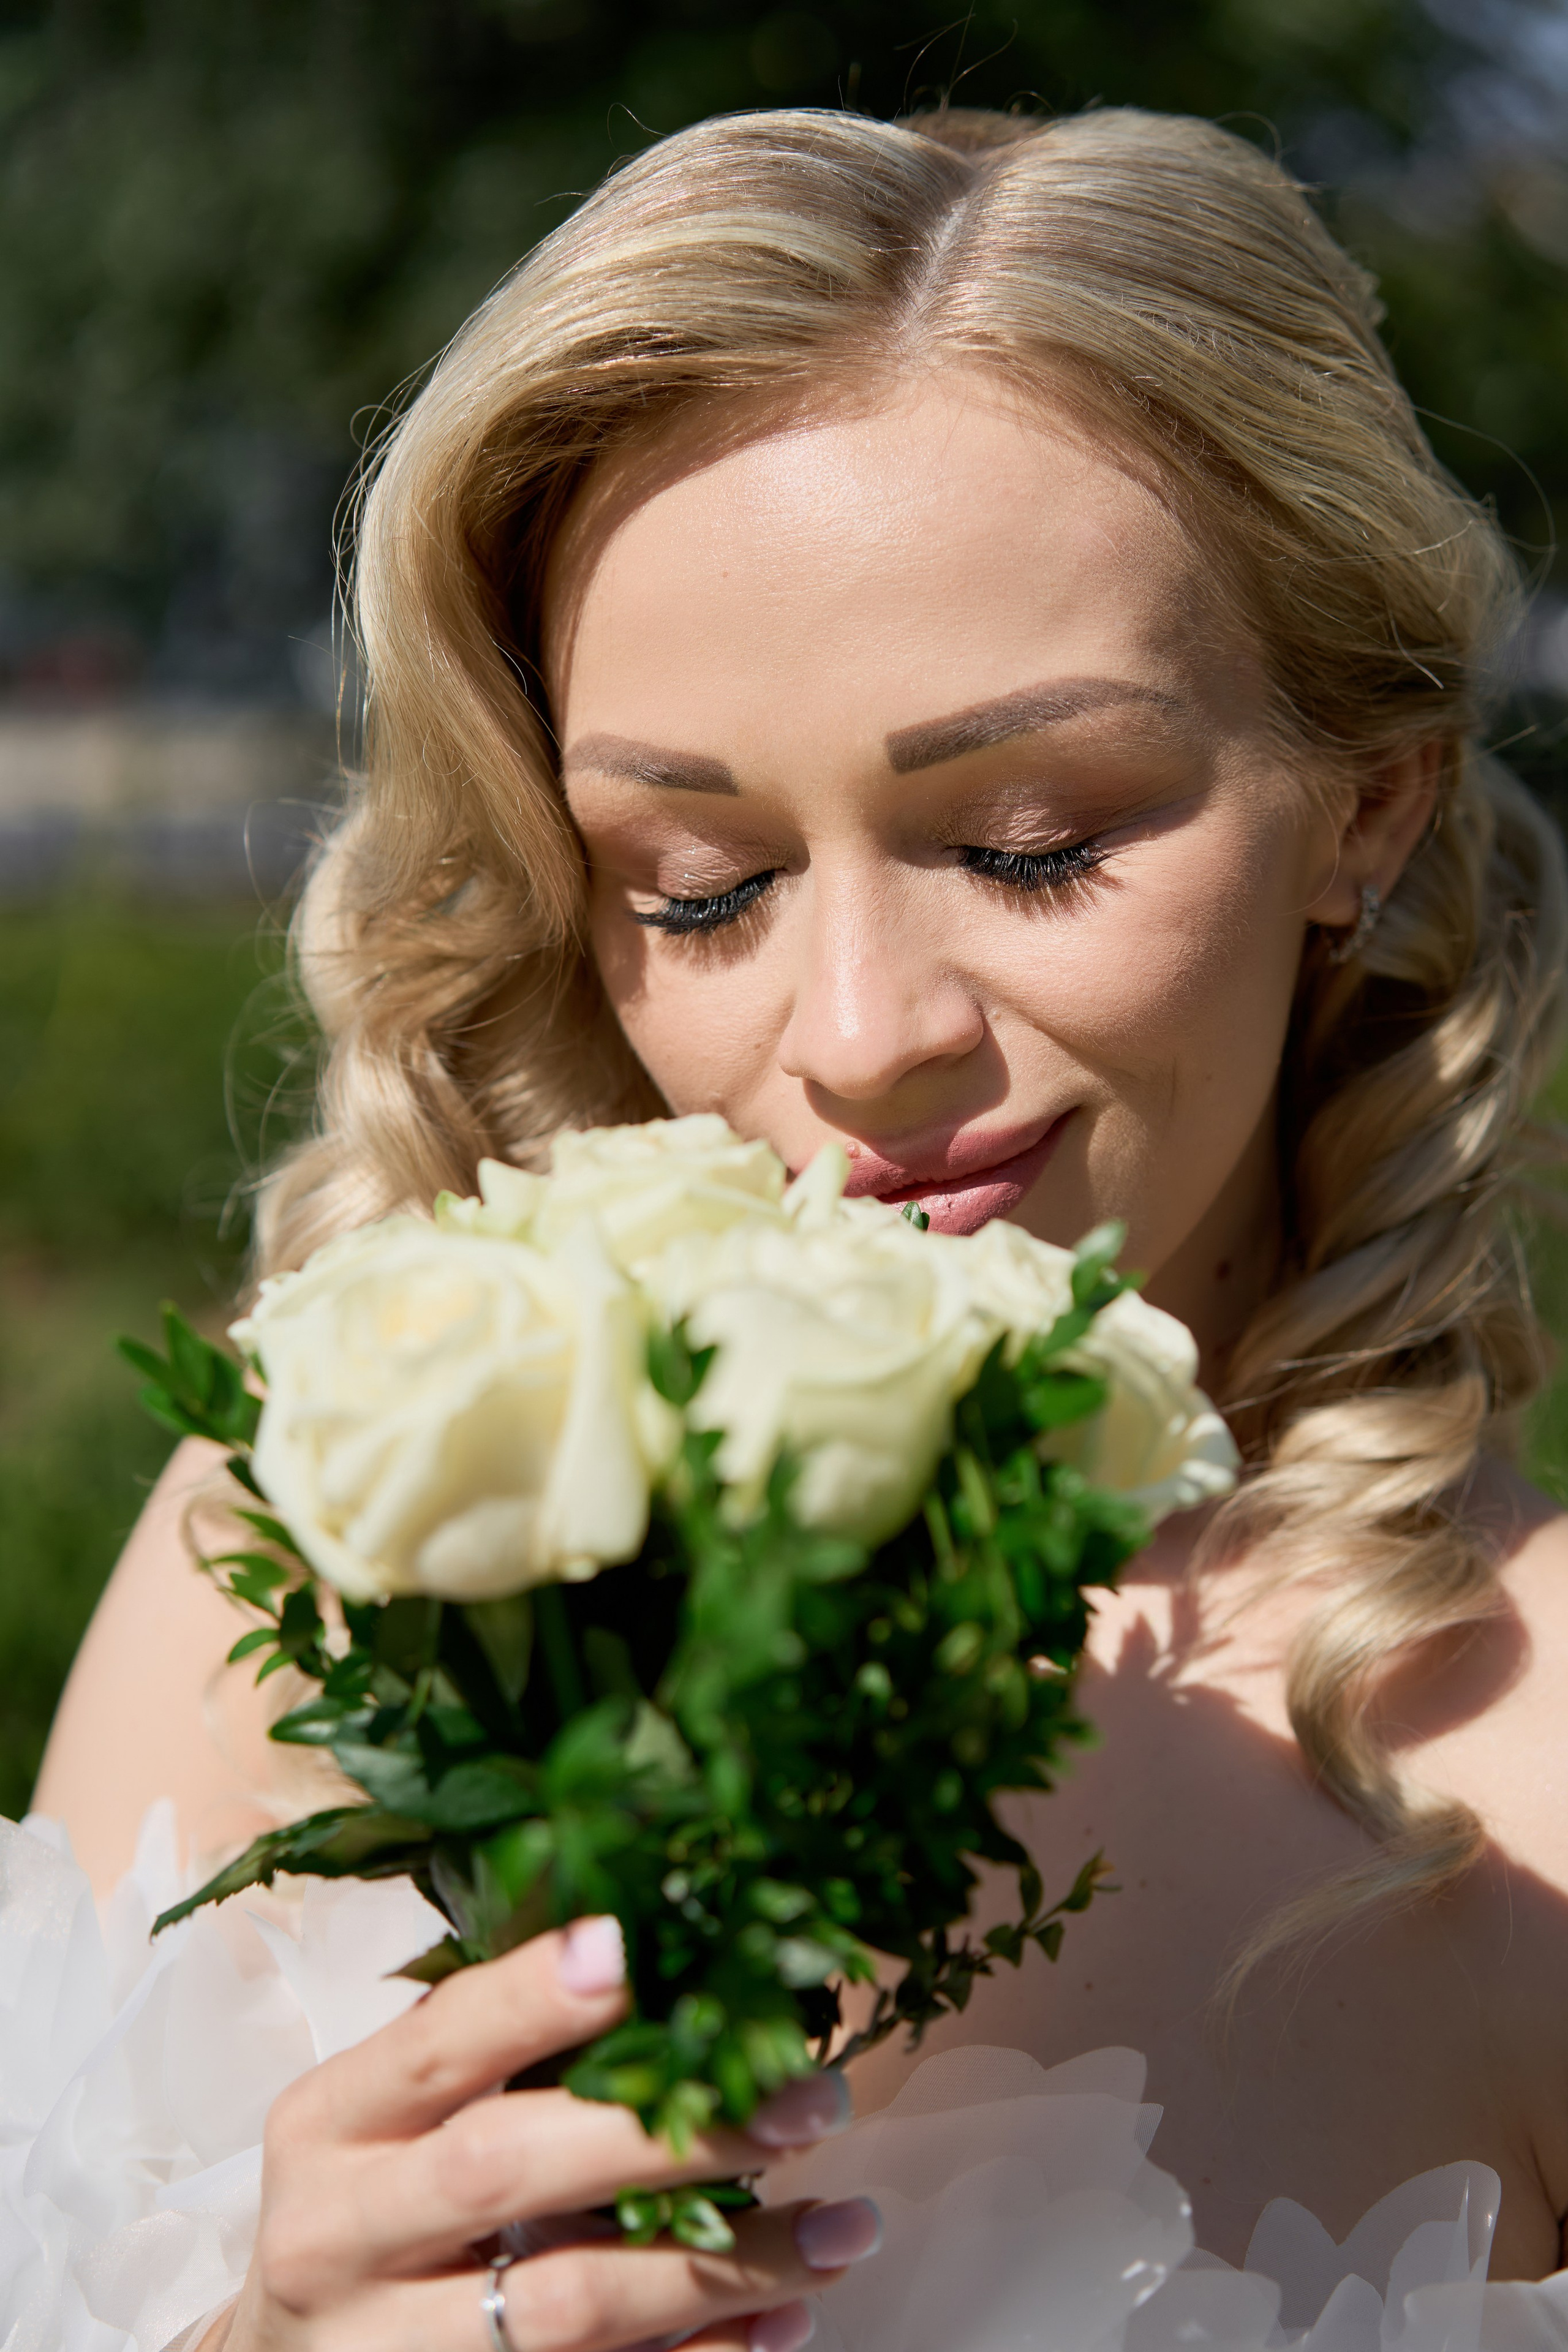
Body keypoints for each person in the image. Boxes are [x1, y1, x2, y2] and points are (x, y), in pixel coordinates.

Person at [29, 99, 1568, 2352]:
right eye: (701, 888)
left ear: (1370, 803)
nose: (859, 1038)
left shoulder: (1529, 1788)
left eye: (1035, 841)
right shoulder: (326, 1510)